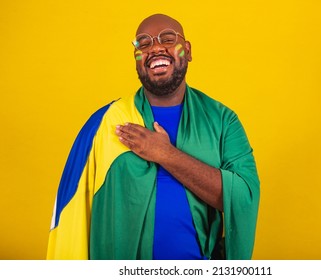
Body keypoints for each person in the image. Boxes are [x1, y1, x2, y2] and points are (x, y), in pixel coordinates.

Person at [47, 14, 260, 260]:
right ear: (136, 58)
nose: (156, 48)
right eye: (144, 43)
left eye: (168, 39)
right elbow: (70, 212)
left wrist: (166, 154)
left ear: (188, 50)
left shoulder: (222, 121)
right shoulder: (104, 122)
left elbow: (243, 197)